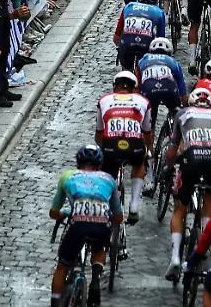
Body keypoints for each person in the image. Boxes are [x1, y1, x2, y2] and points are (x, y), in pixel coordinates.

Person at [166, 88, 211, 281]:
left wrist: (169, 169)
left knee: (179, 208)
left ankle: (176, 257)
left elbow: (171, 150)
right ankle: (204, 243)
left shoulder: (182, 114)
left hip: (191, 160)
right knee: (210, 199)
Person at [49, 145, 122, 307]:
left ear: (77, 163)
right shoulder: (109, 180)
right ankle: (95, 280)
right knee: (98, 248)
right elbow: (118, 216)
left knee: (63, 265)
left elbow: (54, 212)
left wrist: (66, 213)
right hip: (102, 222)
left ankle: (55, 302)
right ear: (100, 165)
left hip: (78, 224)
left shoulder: (67, 177)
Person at [95, 71, 152, 223]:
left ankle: (105, 202)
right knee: (140, 161)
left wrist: (103, 150)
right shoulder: (143, 101)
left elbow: (99, 133)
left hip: (111, 146)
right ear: (134, 89)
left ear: (114, 87)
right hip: (134, 146)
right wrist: (148, 150)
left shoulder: (104, 100)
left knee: (107, 169)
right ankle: (134, 205)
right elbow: (147, 132)